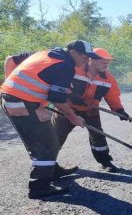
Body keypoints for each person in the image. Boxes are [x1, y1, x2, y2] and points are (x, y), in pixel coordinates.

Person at [0, 40, 97, 198]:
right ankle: (39, 187)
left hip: (22, 100)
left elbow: (10, 59)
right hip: (23, 103)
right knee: (45, 145)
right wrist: (73, 116)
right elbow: (57, 99)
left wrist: (10, 87)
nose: (85, 60)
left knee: (49, 138)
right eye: (83, 56)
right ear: (72, 52)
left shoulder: (44, 53)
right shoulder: (66, 66)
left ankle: (52, 170)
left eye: (88, 57)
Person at [52, 48, 130, 173]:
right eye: (103, 61)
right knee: (56, 137)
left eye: (108, 61)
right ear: (91, 59)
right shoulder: (73, 69)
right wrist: (72, 96)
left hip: (90, 110)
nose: (107, 64)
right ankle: (49, 166)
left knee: (98, 136)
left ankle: (105, 161)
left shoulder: (108, 78)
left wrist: (119, 110)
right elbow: (58, 86)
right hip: (67, 109)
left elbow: (112, 95)